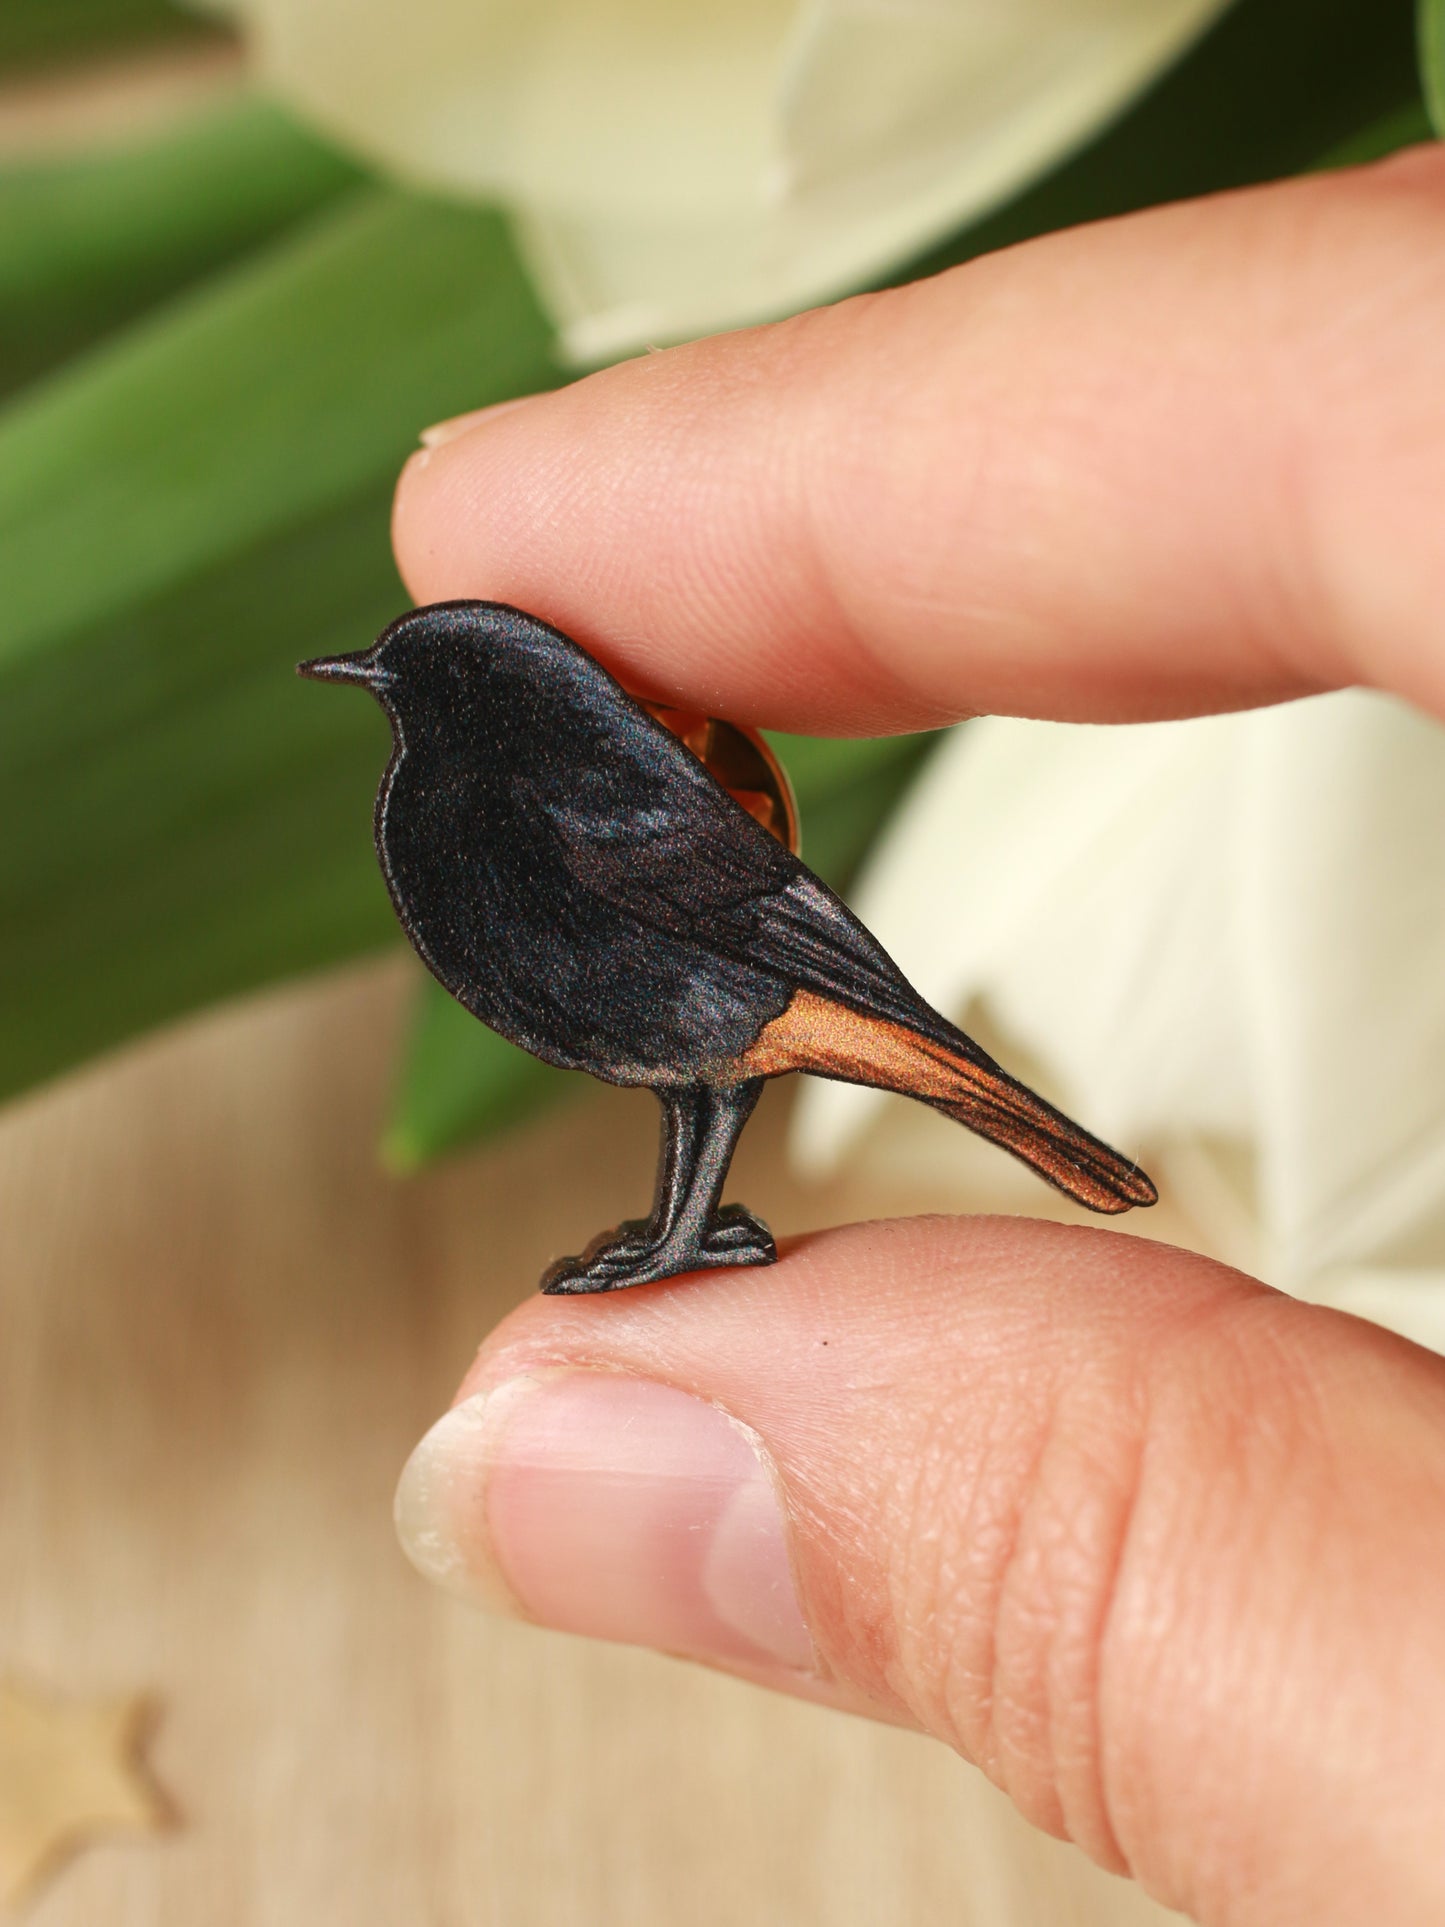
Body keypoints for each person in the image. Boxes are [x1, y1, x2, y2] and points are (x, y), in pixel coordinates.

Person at [387, 145, 1445, 1927]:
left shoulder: (540, 790)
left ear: (484, 707)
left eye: (419, 681)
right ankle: (675, 1231)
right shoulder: (502, 789)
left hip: (747, 978)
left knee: (715, 1055)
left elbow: (753, 940)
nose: (394, 696)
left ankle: (682, 1232)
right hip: (702, 1005)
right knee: (701, 1068)